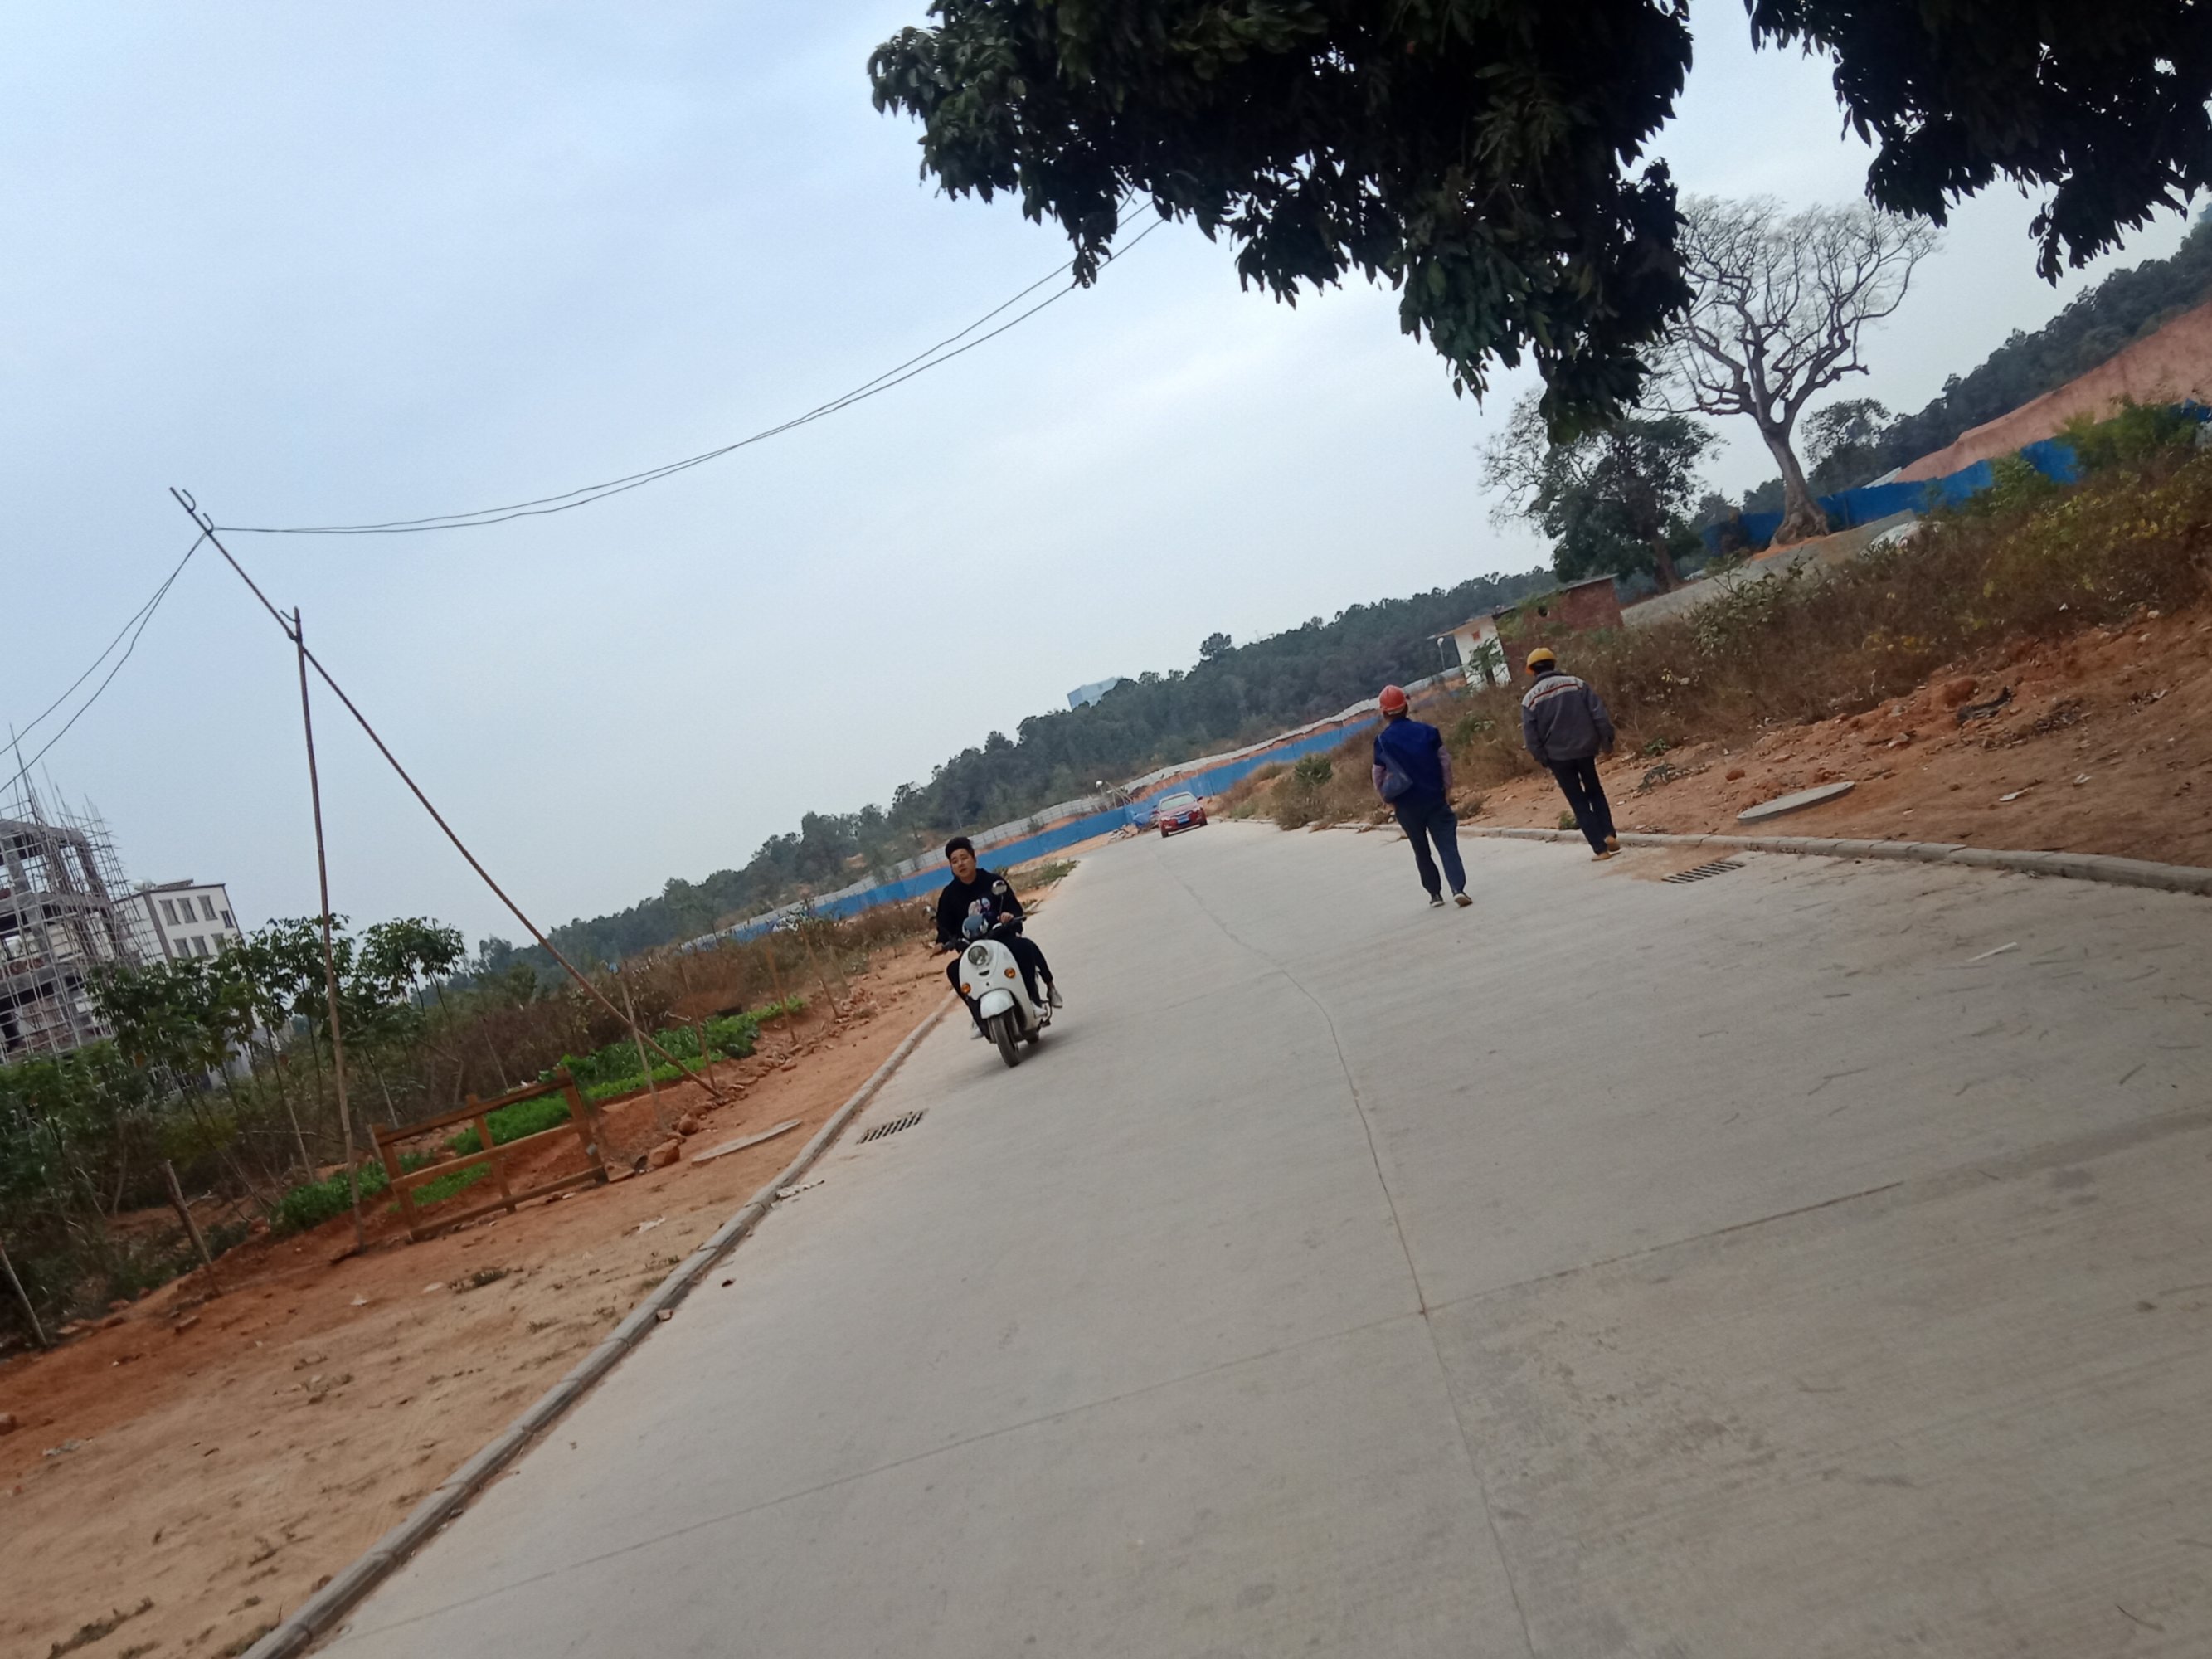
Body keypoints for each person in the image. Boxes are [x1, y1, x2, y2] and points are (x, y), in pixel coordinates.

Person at [935, 836, 1061, 1034]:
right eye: (954, 861)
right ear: (951, 866)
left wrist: (1009, 916)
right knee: (954, 970)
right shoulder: (949, 895)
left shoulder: (993, 882)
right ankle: (977, 1014)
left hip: (1001, 938)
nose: (960, 864)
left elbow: (1014, 907)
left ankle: (1034, 998)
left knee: (1023, 947)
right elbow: (944, 926)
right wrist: (941, 943)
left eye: (964, 858)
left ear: (974, 858)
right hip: (972, 948)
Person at [1371, 684, 1471, 908]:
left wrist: (1387, 799)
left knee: (1421, 849)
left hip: (1405, 805)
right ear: (1406, 707)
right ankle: (1458, 888)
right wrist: (1446, 789)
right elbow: (1444, 761)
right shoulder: (1429, 731)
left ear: (1384, 713)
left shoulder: (1382, 741)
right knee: (1447, 845)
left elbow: (1378, 773)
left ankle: (1435, 895)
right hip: (1434, 798)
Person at [1519, 647, 1620, 860]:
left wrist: (1542, 758)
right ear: (1553, 664)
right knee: (1595, 790)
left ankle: (1600, 849)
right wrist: (1606, 741)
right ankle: (1609, 833)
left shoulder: (1530, 699)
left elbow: (1531, 736)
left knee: (1578, 801)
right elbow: (1599, 714)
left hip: (1557, 757)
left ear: (1533, 671)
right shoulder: (1577, 684)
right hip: (1586, 749)